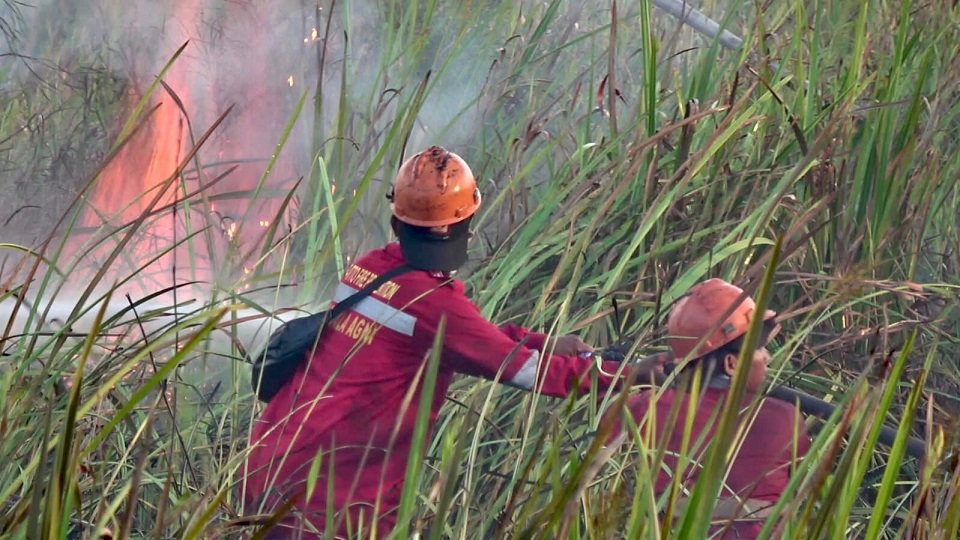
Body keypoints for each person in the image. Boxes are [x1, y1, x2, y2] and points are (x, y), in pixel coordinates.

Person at [243, 145, 664, 539]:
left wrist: (544, 341)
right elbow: (522, 370)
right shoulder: (433, 304)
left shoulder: (369, 269)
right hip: (330, 500)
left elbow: (460, 335)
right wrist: (630, 373)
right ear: (466, 225)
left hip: (269, 470)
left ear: (396, 221)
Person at [607, 278, 811, 539]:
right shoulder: (785, 418)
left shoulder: (640, 409)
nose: (767, 358)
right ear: (732, 364)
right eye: (759, 349)